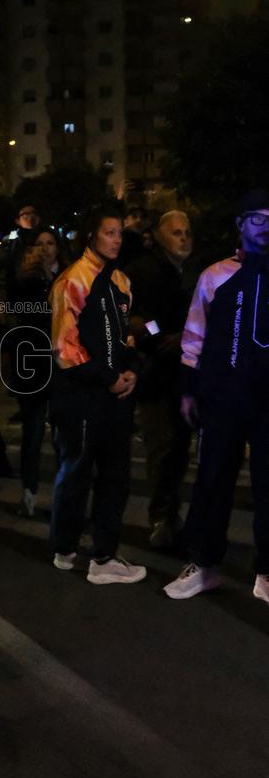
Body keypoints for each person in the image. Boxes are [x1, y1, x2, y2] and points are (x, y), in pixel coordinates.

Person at [164, 190, 269, 604]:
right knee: (212, 481)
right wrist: (189, 390)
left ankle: (266, 571)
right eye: (258, 218)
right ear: (240, 224)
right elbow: (194, 337)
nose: (266, 227)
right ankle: (204, 564)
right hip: (223, 398)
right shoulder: (215, 275)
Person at [49, 205, 146, 584]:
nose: (117, 239)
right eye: (109, 232)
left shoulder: (121, 280)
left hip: (114, 395)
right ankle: (65, 548)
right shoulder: (72, 280)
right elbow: (64, 348)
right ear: (91, 235)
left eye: (120, 232)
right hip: (81, 396)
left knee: (115, 476)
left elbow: (126, 336)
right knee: (76, 471)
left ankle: (104, 556)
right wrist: (109, 377)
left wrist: (132, 370)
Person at [126, 211, 196, 548]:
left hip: (185, 372)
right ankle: (161, 517)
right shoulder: (142, 270)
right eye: (176, 232)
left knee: (180, 448)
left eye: (187, 232)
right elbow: (137, 318)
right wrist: (160, 332)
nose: (183, 238)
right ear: (158, 235)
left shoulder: (193, 272)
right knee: (162, 446)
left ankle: (170, 514)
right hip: (155, 372)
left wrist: (185, 335)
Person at [5, 228, 67, 518]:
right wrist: (34, 278)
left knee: (62, 432)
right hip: (32, 362)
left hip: (62, 362)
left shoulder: (68, 277)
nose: (45, 248)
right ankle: (28, 491)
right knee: (33, 429)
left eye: (50, 243)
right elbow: (20, 313)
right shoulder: (25, 280)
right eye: (39, 244)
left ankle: (64, 494)